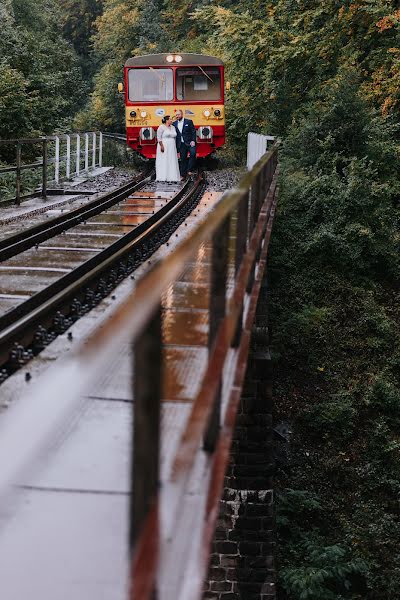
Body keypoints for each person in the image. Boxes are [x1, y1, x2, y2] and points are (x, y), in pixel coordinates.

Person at [156, 115, 180, 182]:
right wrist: (161, 146)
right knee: (164, 159)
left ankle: (172, 177)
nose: (171, 121)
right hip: (164, 145)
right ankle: (163, 176)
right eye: (170, 119)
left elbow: (175, 137)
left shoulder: (173, 127)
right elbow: (159, 137)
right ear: (166, 121)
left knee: (171, 160)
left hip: (172, 146)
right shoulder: (161, 127)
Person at [173, 109, 196, 178]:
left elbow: (193, 131)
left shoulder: (188, 121)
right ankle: (183, 174)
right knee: (183, 159)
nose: (177, 116)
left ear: (182, 114)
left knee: (193, 153)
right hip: (181, 144)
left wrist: (193, 140)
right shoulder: (174, 124)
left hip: (190, 142)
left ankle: (189, 169)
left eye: (178, 114)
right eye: (176, 115)